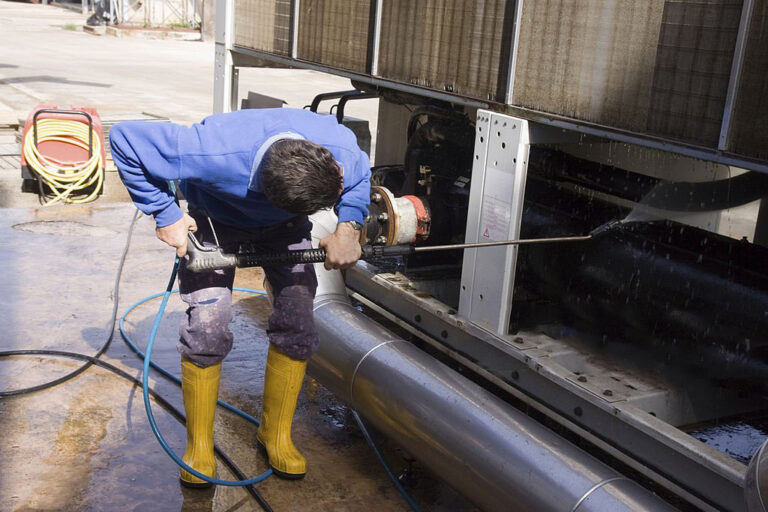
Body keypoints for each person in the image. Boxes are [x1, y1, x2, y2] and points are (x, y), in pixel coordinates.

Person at [109, 108, 370, 486]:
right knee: (207, 329)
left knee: (298, 323)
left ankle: (275, 434)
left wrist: (349, 225)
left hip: (285, 224)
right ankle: (199, 444)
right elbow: (125, 139)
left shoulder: (337, 147)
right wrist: (165, 214)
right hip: (216, 221)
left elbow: (360, 174)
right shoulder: (210, 151)